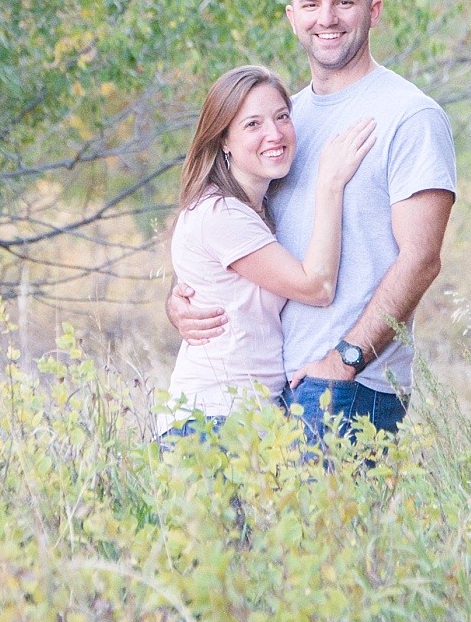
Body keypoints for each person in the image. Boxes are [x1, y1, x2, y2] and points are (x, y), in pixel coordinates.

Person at [166, 0, 456, 455]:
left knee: (330, 537)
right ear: (292, 17)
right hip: (272, 391)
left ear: (374, 11)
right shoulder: (282, 121)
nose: (327, 18)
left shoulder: (410, 115)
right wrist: (182, 295)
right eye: (311, 4)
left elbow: (421, 259)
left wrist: (346, 359)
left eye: (344, 2)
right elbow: (231, 227)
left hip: (349, 385)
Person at [159, 65, 377, 447]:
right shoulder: (220, 213)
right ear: (222, 139)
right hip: (212, 421)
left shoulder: (254, 208)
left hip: (248, 419)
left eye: (281, 117)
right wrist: (330, 183)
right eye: (252, 124)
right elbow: (317, 286)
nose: (274, 134)